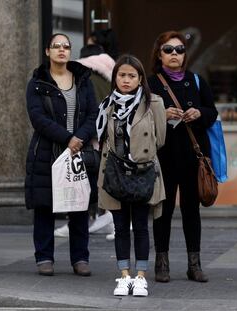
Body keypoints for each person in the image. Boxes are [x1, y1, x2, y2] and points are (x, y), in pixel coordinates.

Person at [147, 31, 218, 283]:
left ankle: (194, 264)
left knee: (192, 211)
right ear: (159, 53)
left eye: (179, 50)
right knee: (162, 211)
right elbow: (139, 118)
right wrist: (162, 114)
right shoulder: (150, 83)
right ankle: (161, 264)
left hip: (192, 157)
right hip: (162, 157)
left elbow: (212, 112)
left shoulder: (196, 81)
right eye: (168, 50)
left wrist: (199, 112)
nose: (174, 54)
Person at [25, 33, 97, 276]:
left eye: (66, 46)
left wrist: (80, 139)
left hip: (79, 151)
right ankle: (44, 257)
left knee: (79, 205)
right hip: (47, 150)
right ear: (47, 51)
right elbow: (38, 118)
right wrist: (68, 138)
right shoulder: (37, 83)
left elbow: (92, 115)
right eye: (56, 46)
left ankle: (80, 258)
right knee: (45, 206)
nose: (62, 50)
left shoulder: (83, 80)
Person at [96, 55, 166, 296]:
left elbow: (161, 138)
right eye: (121, 75)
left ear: (140, 79)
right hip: (114, 173)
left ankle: (141, 277)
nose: (126, 80)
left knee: (141, 226)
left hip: (142, 172)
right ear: (115, 77)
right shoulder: (107, 104)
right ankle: (124, 275)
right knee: (120, 227)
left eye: (131, 76)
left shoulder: (153, 103)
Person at [54, 44, 115, 238]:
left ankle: (84, 221)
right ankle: (106, 218)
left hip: (89, 138)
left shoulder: (82, 75)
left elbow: (87, 110)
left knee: (82, 181)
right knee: (104, 180)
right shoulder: (112, 75)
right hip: (111, 137)